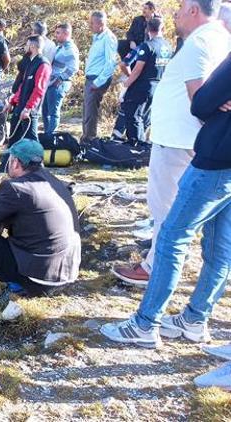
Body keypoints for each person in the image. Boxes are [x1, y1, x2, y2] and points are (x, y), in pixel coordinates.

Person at [101, 47, 231, 349]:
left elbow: (200, 103)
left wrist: (213, 99)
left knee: (173, 236)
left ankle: (145, 324)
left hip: (214, 160)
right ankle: (195, 319)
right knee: (219, 247)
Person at [112, 0, 231, 288]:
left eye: (180, 8)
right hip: (188, 140)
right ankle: (164, 261)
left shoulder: (200, 42)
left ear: (193, 10)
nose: (175, 14)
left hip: (178, 140)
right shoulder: (219, 38)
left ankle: (154, 267)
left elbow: (201, 96)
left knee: (165, 207)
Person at [0, 139, 81, 297]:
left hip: (40, 281)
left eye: (9, 159)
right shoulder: (55, 181)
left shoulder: (15, 188)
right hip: (68, 274)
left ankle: (17, 287)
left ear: (15, 162)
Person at [111, 18, 171, 144]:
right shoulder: (167, 46)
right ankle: (143, 144)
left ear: (147, 29)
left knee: (134, 115)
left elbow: (137, 69)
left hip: (143, 85)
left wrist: (127, 84)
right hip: (159, 85)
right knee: (146, 116)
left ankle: (137, 145)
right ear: (162, 28)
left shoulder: (147, 46)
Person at [5, 36, 52, 146]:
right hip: (19, 107)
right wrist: (12, 102)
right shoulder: (30, 62)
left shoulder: (43, 64)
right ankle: (9, 163)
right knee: (14, 139)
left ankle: (37, 163)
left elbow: (38, 90)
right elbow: (23, 86)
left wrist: (28, 108)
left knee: (31, 140)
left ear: (33, 46)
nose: (25, 47)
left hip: (29, 111)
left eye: (27, 45)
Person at [81, 11, 118, 142]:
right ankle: (85, 141)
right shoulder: (97, 37)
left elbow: (111, 63)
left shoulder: (108, 38)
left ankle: (90, 142)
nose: (90, 25)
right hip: (91, 78)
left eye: (92, 23)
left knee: (91, 113)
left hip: (97, 79)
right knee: (86, 111)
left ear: (100, 24)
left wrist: (98, 82)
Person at [42, 23, 80, 135]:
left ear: (66, 33)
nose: (56, 35)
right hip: (50, 82)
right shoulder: (60, 47)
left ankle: (50, 136)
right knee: (45, 112)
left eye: (58, 33)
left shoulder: (70, 49)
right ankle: (46, 135)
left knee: (53, 112)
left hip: (58, 83)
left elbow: (73, 68)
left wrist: (61, 78)